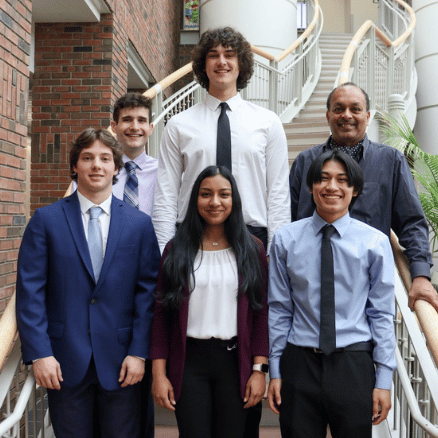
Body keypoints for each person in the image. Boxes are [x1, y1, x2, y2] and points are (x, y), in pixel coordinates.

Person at [16, 128, 161, 438]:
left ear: (116, 168)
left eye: (105, 158)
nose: (97, 165)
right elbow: (30, 293)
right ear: (74, 166)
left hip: (123, 362)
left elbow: (148, 294)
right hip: (63, 361)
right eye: (88, 158)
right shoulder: (45, 221)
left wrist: (139, 352)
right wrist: (40, 353)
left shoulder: (139, 225)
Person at [268, 150, 396, 437]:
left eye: (342, 180)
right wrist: (275, 370)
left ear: (355, 189)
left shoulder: (374, 243)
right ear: (311, 186)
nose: (332, 187)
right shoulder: (285, 240)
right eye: (323, 179)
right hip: (299, 363)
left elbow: (382, 313)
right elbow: (279, 309)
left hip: (353, 363)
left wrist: (384, 378)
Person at [289, 82, 437, 311]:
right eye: (339, 109)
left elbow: (411, 222)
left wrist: (420, 275)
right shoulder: (305, 162)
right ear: (328, 115)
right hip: (311, 284)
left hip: (369, 287)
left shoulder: (391, 162)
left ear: (367, 116)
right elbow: (290, 221)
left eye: (355, 109)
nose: (346, 115)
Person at [150, 166, 269, 438]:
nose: (215, 202)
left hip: (236, 361)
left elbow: (262, 314)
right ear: (195, 200)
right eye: (206, 194)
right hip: (189, 362)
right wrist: (159, 374)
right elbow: (161, 315)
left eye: (223, 194)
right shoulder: (176, 248)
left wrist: (259, 370)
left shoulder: (253, 249)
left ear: (234, 200)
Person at [152, 26, 290, 254]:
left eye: (229, 55)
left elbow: (278, 192)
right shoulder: (178, 124)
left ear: (241, 63)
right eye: (213, 55)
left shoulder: (268, 122)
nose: (221, 62)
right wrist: (163, 250)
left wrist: (275, 252)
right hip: (192, 237)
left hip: (252, 238)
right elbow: (166, 192)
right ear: (203, 65)